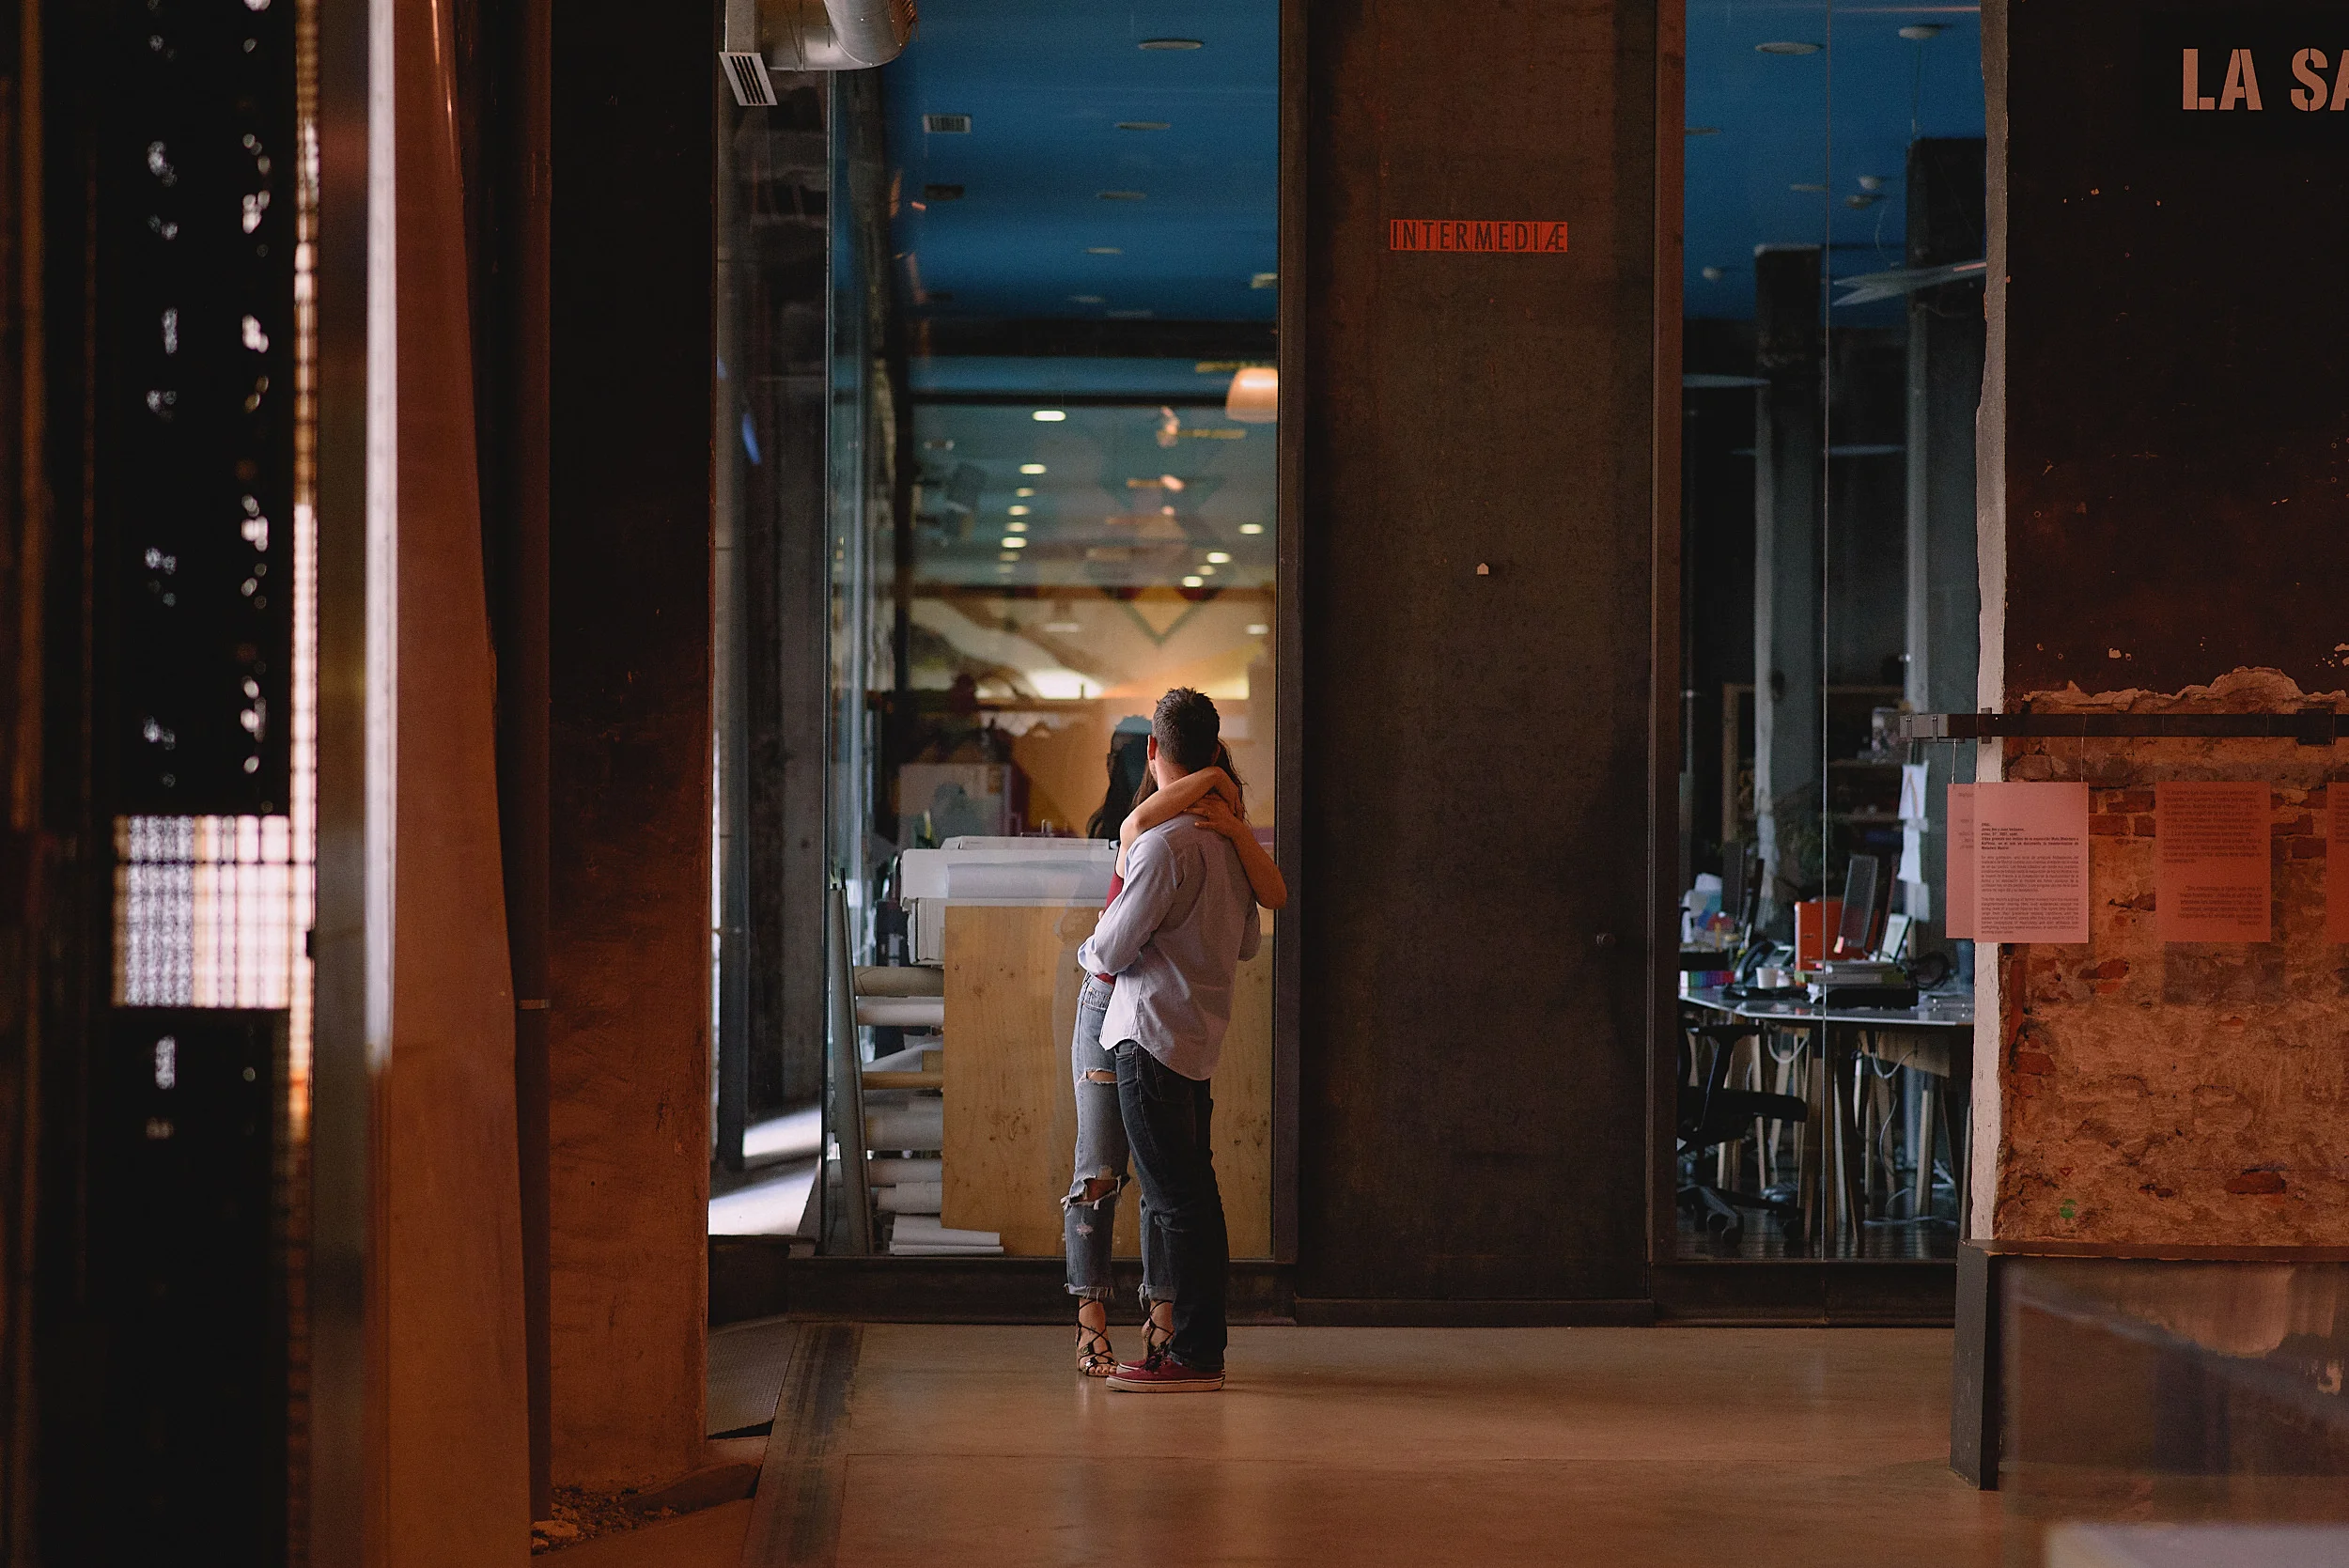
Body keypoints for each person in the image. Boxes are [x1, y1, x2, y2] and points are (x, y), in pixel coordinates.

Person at [1066, 728, 1283, 1376]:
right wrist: (1218, 785)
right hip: (1110, 996)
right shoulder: (1155, 823)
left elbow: (1269, 896)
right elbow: (1134, 821)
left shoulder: (1205, 833)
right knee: (1104, 1168)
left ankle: (1166, 1323)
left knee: (1166, 1184)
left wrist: (1234, 817)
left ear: (1157, 745)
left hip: (1144, 1005)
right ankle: (1092, 1322)